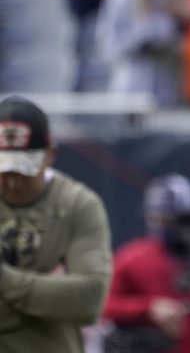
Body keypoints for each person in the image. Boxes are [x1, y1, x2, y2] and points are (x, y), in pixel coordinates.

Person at [0, 95, 113, 353]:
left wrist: (4, 278)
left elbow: (88, 300)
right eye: (4, 172)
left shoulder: (77, 204)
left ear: (50, 154)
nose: (13, 183)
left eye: (23, 171)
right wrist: (47, 291)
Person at [102, 173, 190, 353]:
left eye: (173, 219)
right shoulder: (132, 257)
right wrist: (149, 309)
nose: (165, 225)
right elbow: (103, 305)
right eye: (159, 218)